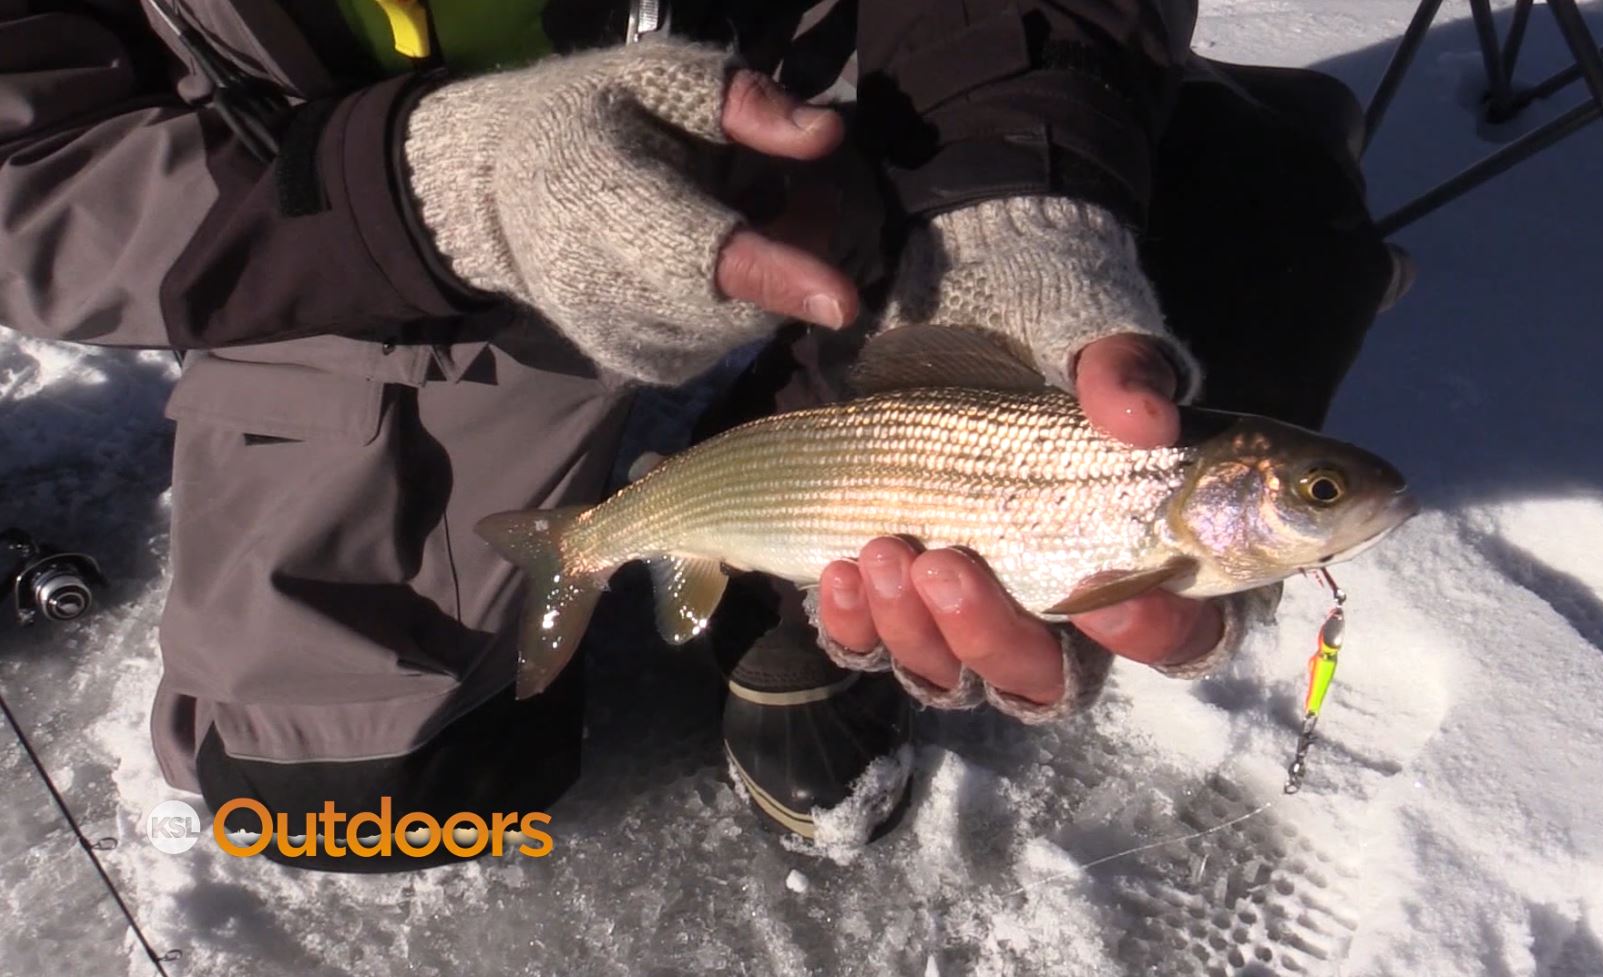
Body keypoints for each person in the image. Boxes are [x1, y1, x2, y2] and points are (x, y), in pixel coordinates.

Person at [0, 0, 1402, 869]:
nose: (1335, 505)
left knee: (1271, 224)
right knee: (325, 796)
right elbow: (33, 169)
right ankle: (670, 505)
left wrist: (1013, 193)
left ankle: (800, 632)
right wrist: (437, 194)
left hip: (836, 94)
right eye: (1315, 494)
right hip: (361, 233)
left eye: (1316, 495)